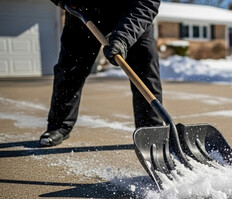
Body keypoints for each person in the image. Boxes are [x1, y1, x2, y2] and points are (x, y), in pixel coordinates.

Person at [40, 0, 163, 147]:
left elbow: (147, 3)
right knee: (70, 71)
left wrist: (123, 38)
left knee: (146, 71)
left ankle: (151, 131)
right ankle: (58, 126)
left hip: (130, 16)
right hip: (83, 13)